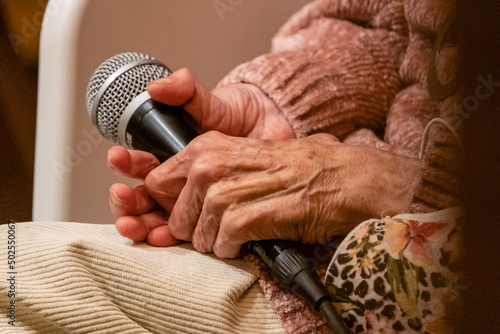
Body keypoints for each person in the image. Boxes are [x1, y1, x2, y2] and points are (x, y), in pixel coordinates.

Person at [107, 0, 467, 332]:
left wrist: (396, 182)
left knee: (59, 266)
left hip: (447, 280)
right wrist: (283, 106)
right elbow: (394, 27)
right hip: (310, 252)